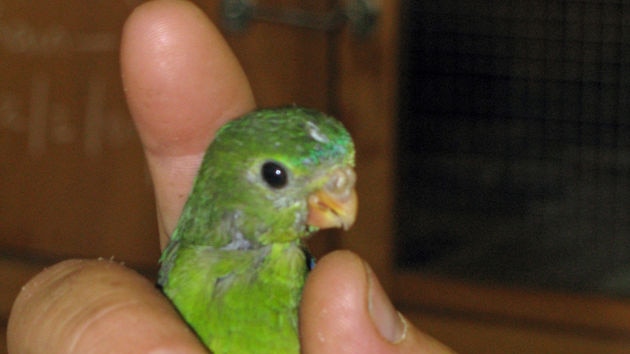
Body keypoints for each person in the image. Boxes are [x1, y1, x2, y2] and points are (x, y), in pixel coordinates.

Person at [7, 1, 455, 353]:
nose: (343, 197)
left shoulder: (314, 284)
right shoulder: (180, 281)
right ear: (226, 186)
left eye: (342, 178)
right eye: (277, 175)